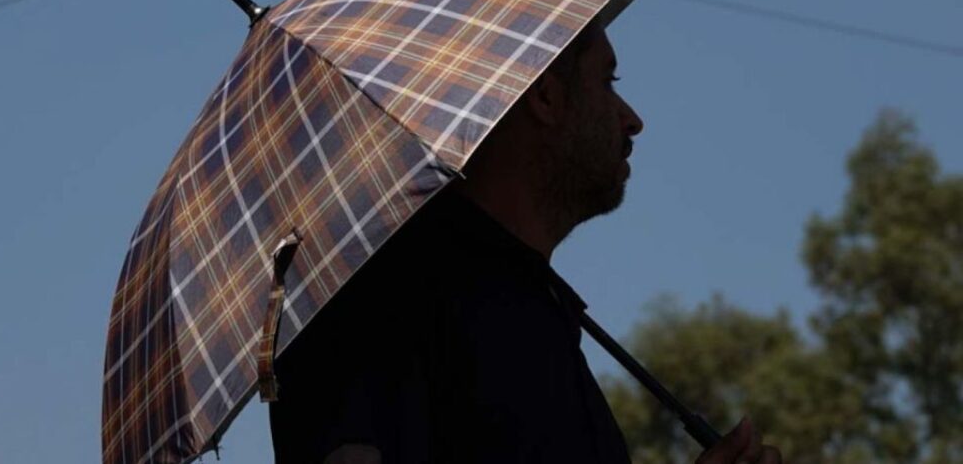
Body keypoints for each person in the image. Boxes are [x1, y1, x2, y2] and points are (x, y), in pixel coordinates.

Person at [269, 24, 783, 464]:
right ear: (544, 96)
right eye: (608, 81)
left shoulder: (536, 310)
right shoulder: (381, 302)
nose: (632, 119)